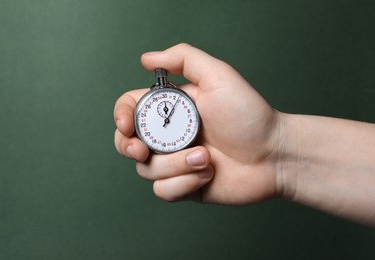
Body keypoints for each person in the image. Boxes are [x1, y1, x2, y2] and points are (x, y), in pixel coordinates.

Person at [114, 43, 375, 227]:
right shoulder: (161, 107)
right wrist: (276, 150)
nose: (167, 117)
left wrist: (278, 149)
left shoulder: (175, 105)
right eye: (163, 117)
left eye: (170, 114)